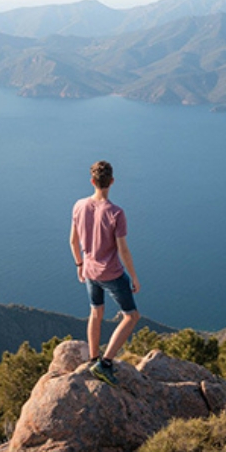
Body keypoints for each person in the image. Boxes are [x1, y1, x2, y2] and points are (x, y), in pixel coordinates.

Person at [69, 160, 140, 386]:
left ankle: (93, 359)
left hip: (89, 271)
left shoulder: (79, 206)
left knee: (96, 312)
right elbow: (123, 249)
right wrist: (134, 277)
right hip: (112, 274)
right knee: (131, 316)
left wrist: (79, 265)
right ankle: (105, 363)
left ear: (92, 181)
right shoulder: (116, 213)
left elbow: (73, 241)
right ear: (112, 181)